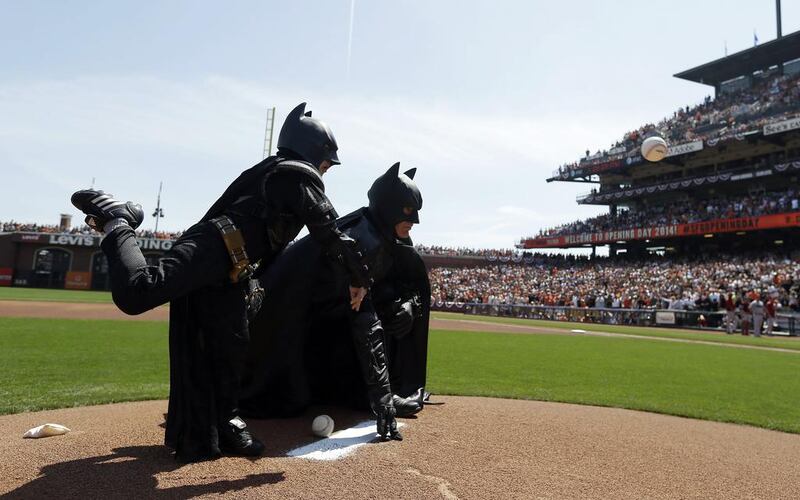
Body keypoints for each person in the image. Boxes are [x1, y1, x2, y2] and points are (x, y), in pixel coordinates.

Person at [70, 103, 372, 462]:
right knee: (139, 291)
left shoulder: (280, 174)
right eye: (327, 161)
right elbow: (329, 232)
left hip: (233, 271)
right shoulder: (296, 175)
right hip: (212, 248)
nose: (327, 170)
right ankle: (118, 222)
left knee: (230, 349)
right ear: (313, 152)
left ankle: (224, 422)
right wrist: (358, 278)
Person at [240, 163, 429, 438]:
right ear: (388, 208)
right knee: (286, 399)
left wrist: (408, 305)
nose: (414, 222)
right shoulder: (363, 239)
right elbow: (364, 319)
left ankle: (359, 392)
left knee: (392, 308)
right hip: (284, 321)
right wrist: (382, 396)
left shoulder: (383, 235)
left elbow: (395, 288)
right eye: (408, 213)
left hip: (325, 316)